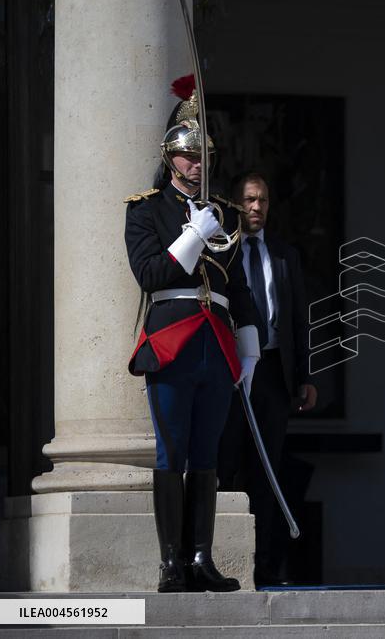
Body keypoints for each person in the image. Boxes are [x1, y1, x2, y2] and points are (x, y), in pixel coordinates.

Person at [124, 75, 260, 593]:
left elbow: (239, 286)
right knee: (171, 452)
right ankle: (170, 564)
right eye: (187, 155)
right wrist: (192, 235)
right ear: (169, 156)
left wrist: (249, 346)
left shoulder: (224, 211)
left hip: (217, 342)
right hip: (173, 338)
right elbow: (152, 276)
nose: (197, 163)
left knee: (208, 454)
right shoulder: (145, 210)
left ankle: (201, 558)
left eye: (204, 154)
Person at [218, 172, 316, 587]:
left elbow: (298, 319)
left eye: (263, 200)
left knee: (268, 470)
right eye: (249, 200)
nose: (256, 208)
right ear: (235, 204)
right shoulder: (220, 251)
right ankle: (219, 560)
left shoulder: (283, 255)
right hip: (232, 371)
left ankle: (263, 567)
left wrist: (304, 376)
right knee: (226, 464)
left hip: (274, 372)